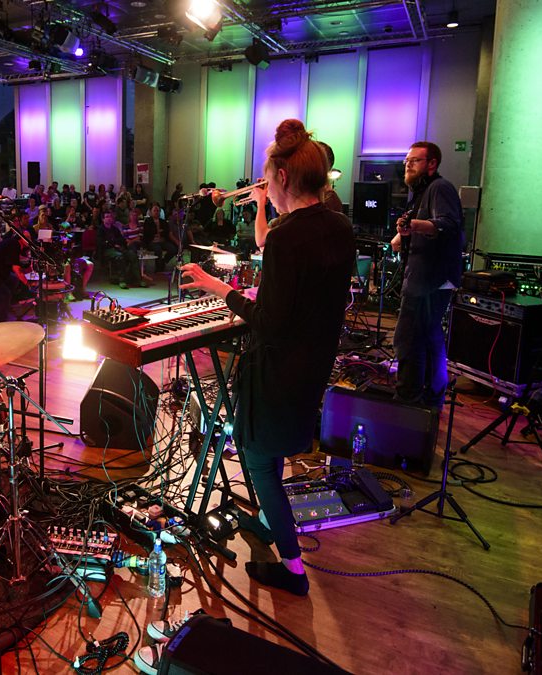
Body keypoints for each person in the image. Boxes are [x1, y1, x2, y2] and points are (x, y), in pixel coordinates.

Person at [179, 119, 353, 597]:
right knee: (271, 452)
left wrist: (219, 289)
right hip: (312, 365)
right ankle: (272, 526)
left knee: (257, 459)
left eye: (266, 178)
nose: (265, 187)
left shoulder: (284, 237)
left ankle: (293, 571)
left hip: (277, 370)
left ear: (281, 177)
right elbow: (307, 300)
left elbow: (270, 323)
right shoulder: (339, 226)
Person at [390, 141, 464, 408]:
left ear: (432, 164)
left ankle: (407, 403)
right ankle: (431, 401)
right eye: (406, 161)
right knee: (429, 338)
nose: (408, 165)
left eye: (414, 161)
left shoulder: (439, 187)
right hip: (429, 279)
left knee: (408, 340)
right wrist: (404, 234)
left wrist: (414, 225)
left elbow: (448, 225)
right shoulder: (422, 192)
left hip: (429, 280)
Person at [97, 210, 143, 289]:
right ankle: (122, 280)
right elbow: (101, 243)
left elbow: (122, 240)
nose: (109, 218)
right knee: (120, 256)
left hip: (118, 248)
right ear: (103, 219)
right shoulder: (100, 230)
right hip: (107, 250)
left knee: (132, 255)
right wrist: (113, 243)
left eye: (110, 217)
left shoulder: (115, 229)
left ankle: (138, 279)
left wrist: (113, 242)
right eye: (107, 217)